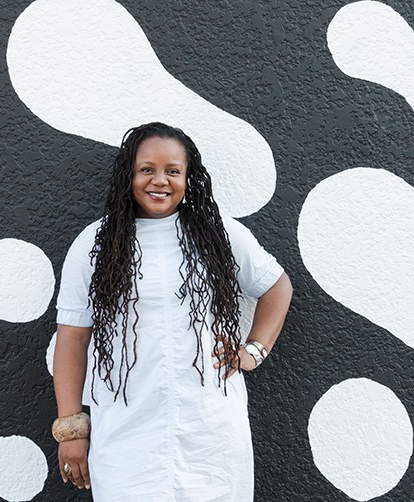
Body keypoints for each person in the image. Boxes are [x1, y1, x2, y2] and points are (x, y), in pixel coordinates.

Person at [52, 122, 293, 501]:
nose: (159, 181)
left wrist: (253, 352)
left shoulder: (220, 235)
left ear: (188, 177)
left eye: (172, 171)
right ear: (128, 175)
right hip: (125, 428)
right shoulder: (93, 245)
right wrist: (71, 428)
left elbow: (277, 287)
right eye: (146, 169)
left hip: (209, 429)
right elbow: (73, 336)